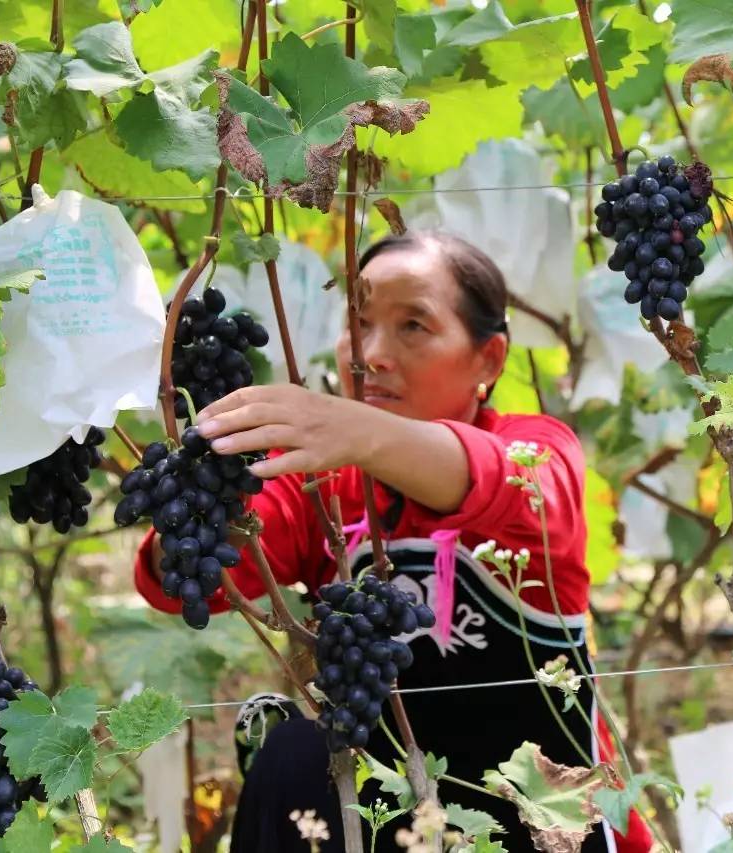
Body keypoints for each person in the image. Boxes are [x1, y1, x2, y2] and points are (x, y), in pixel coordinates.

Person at [134, 231, 652, 852]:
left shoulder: (539, 452)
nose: (372, 355)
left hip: (544, 823)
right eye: (359, 323)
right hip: (382, 819)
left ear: (488, 359)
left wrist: (357, 431)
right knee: (293, 750)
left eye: (413, 326)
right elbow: (188, 582)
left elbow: (492, 475)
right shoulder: (322, 483)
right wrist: (194, 495)